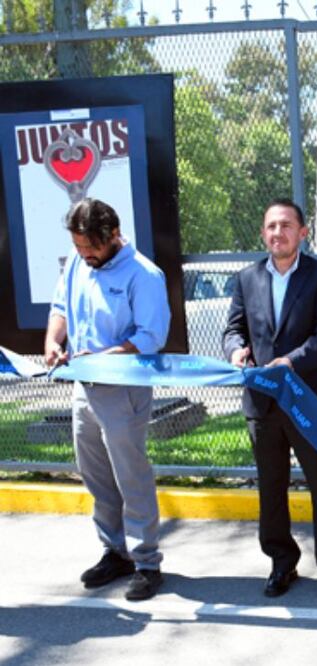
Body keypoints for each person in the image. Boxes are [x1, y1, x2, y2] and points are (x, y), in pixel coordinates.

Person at [223, 198, 317, 601]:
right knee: (271, 488)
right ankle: (281, 561)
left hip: (310, 400)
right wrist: (236, 351)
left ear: (302, 232)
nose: (277, 233)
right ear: (263, 233)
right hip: (262, 404)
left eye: (286, 226)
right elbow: (233, 329)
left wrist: (289, 362)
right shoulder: (246, 278)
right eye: (271, 226)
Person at [44, 198, 170, 601]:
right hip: (84, 388)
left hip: (123, 391)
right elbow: (60, 306)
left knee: (130, 475)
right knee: (95, 475)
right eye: (78, 249)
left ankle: (147, 562)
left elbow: (151, 337)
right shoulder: (80, 264)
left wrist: (102, 358)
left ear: (113, 236)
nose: (84, 256)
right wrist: (52, 340)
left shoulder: (144, 275)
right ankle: (115, 552)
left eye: (90, 249)